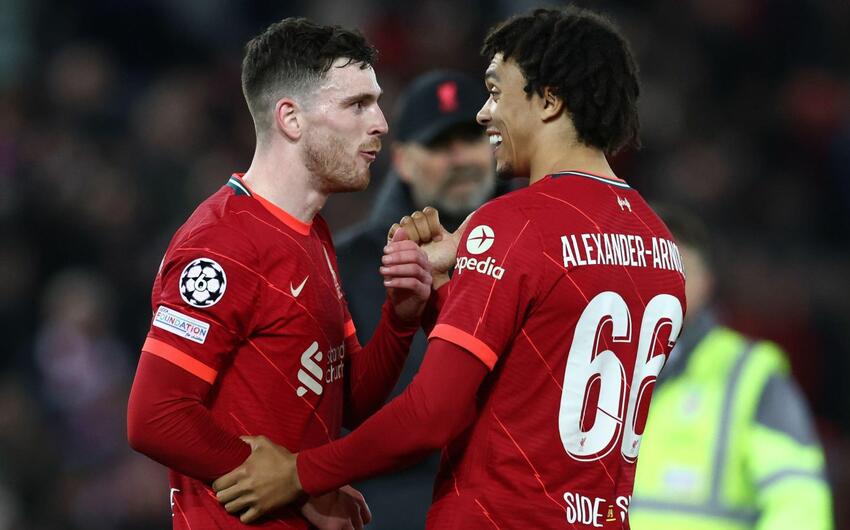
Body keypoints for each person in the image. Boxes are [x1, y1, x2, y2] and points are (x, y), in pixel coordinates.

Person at [212, 7, 687, 529]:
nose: (484, 113)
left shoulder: (515, 224)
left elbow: (430, 415)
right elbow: (531, 378)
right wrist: (442, 292)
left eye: (496, 92)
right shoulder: (660, 242)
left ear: (549, 100)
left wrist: (299, 473)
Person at [127, 18, 437, 529]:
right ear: (291, 119)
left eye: (377, 103)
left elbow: (349, 401)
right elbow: (155, 417)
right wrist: (299, 487)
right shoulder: (222, 244)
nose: (382, 123)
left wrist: (401, 317)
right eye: (357, 104)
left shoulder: (312, 233)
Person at [333, 69, 500, 529]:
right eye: (439, 145)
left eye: (471, 139)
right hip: (388, 506)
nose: (460, 158)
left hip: (508, 499)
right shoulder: (345, 266)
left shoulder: (533, 249)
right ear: (403, 161)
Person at [629, 208, 833, 530]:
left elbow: (799, 503)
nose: (661, 284)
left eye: (679, 268)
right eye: (647, 268)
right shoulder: (590, 362)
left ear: (707, 282)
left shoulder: (749, 374)